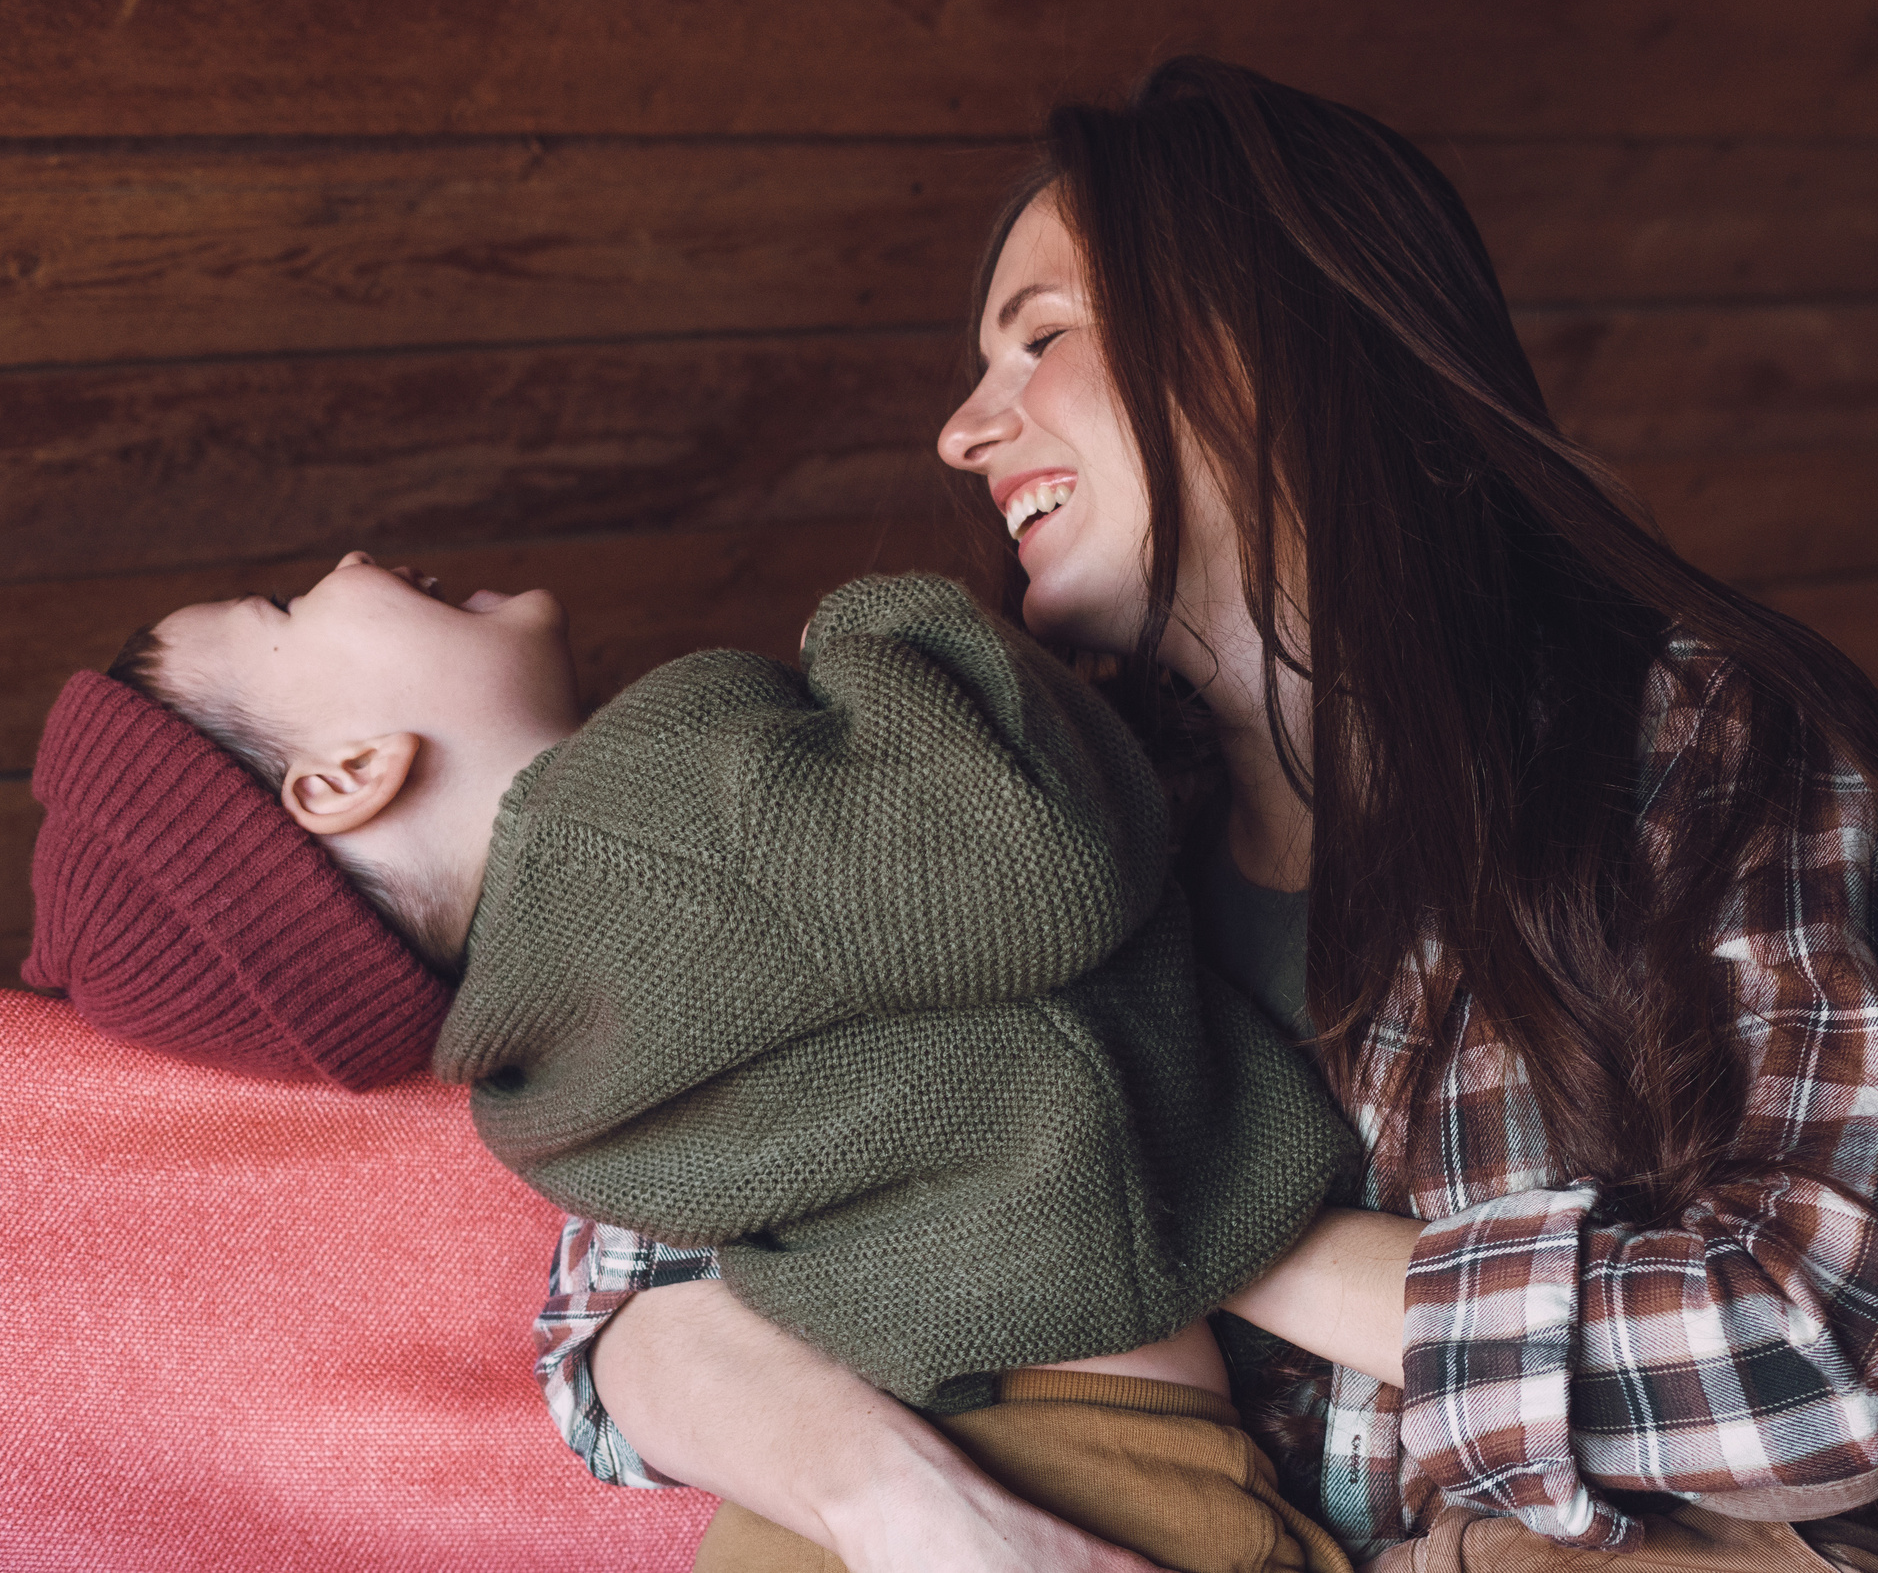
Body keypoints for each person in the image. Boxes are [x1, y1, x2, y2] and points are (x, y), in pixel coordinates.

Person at [549, 58, 1878, 1573]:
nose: (962, 433)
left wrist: (1194, 1213)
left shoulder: (1701, 737)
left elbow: (1840, 1363)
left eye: (1041, 339)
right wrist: (926, 1516)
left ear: (1271, 338)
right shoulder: (969, 794)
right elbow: (616, 1300)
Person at [22, 560, 1360, 1573]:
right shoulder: (646, 808)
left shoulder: (525, 1078)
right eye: (284, 605)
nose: (354, 564)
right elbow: (1040, 851)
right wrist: (888, 616)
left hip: (811, 1517)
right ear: (344, 778)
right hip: (1079, 1459)